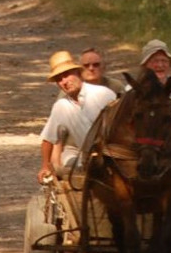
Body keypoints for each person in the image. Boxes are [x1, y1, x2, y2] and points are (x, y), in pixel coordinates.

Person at [37, 49, 116, 183]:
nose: (64, 81)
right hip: (88, 160)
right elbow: (48, 139)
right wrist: (45, 166)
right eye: (59, 79)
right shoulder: (60, 106)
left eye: (67, 75)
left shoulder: (104, 94)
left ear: (78, 73)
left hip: (115, 155)